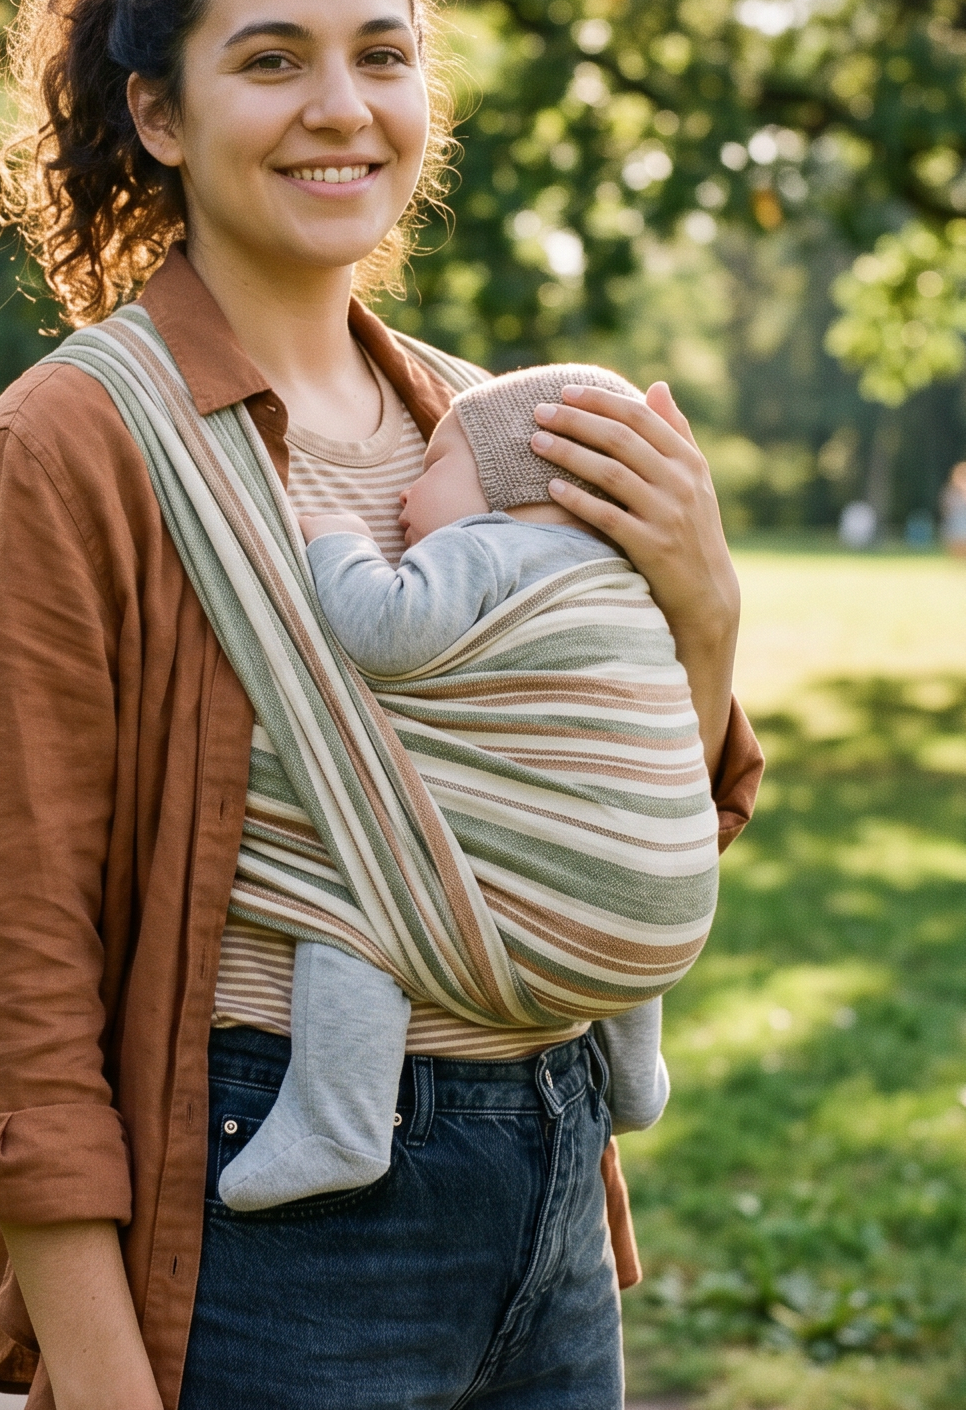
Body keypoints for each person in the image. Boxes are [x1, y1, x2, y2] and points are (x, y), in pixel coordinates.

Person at [0, 0, 763, 1410]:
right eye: (272, 59)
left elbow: (639, 804)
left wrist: (703, 615)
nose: (341, 108)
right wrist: (107, 1407)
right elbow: (5, 977)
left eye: (382, 55)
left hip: (551, 1178)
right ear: (157, 111)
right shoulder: (70, 453)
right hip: (271, 1218)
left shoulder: (496, 426)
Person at [216, 363, 715, 1213]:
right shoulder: (621, 583)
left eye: (437, 464)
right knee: (608, 869)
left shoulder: (486, 545)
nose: (410, 492)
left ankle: (339, 1123)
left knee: (362, 890)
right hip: (665, 913)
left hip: (542, 924)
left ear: (511, 481)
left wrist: (337, 539)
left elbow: (387, 633)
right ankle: (635, 1081)